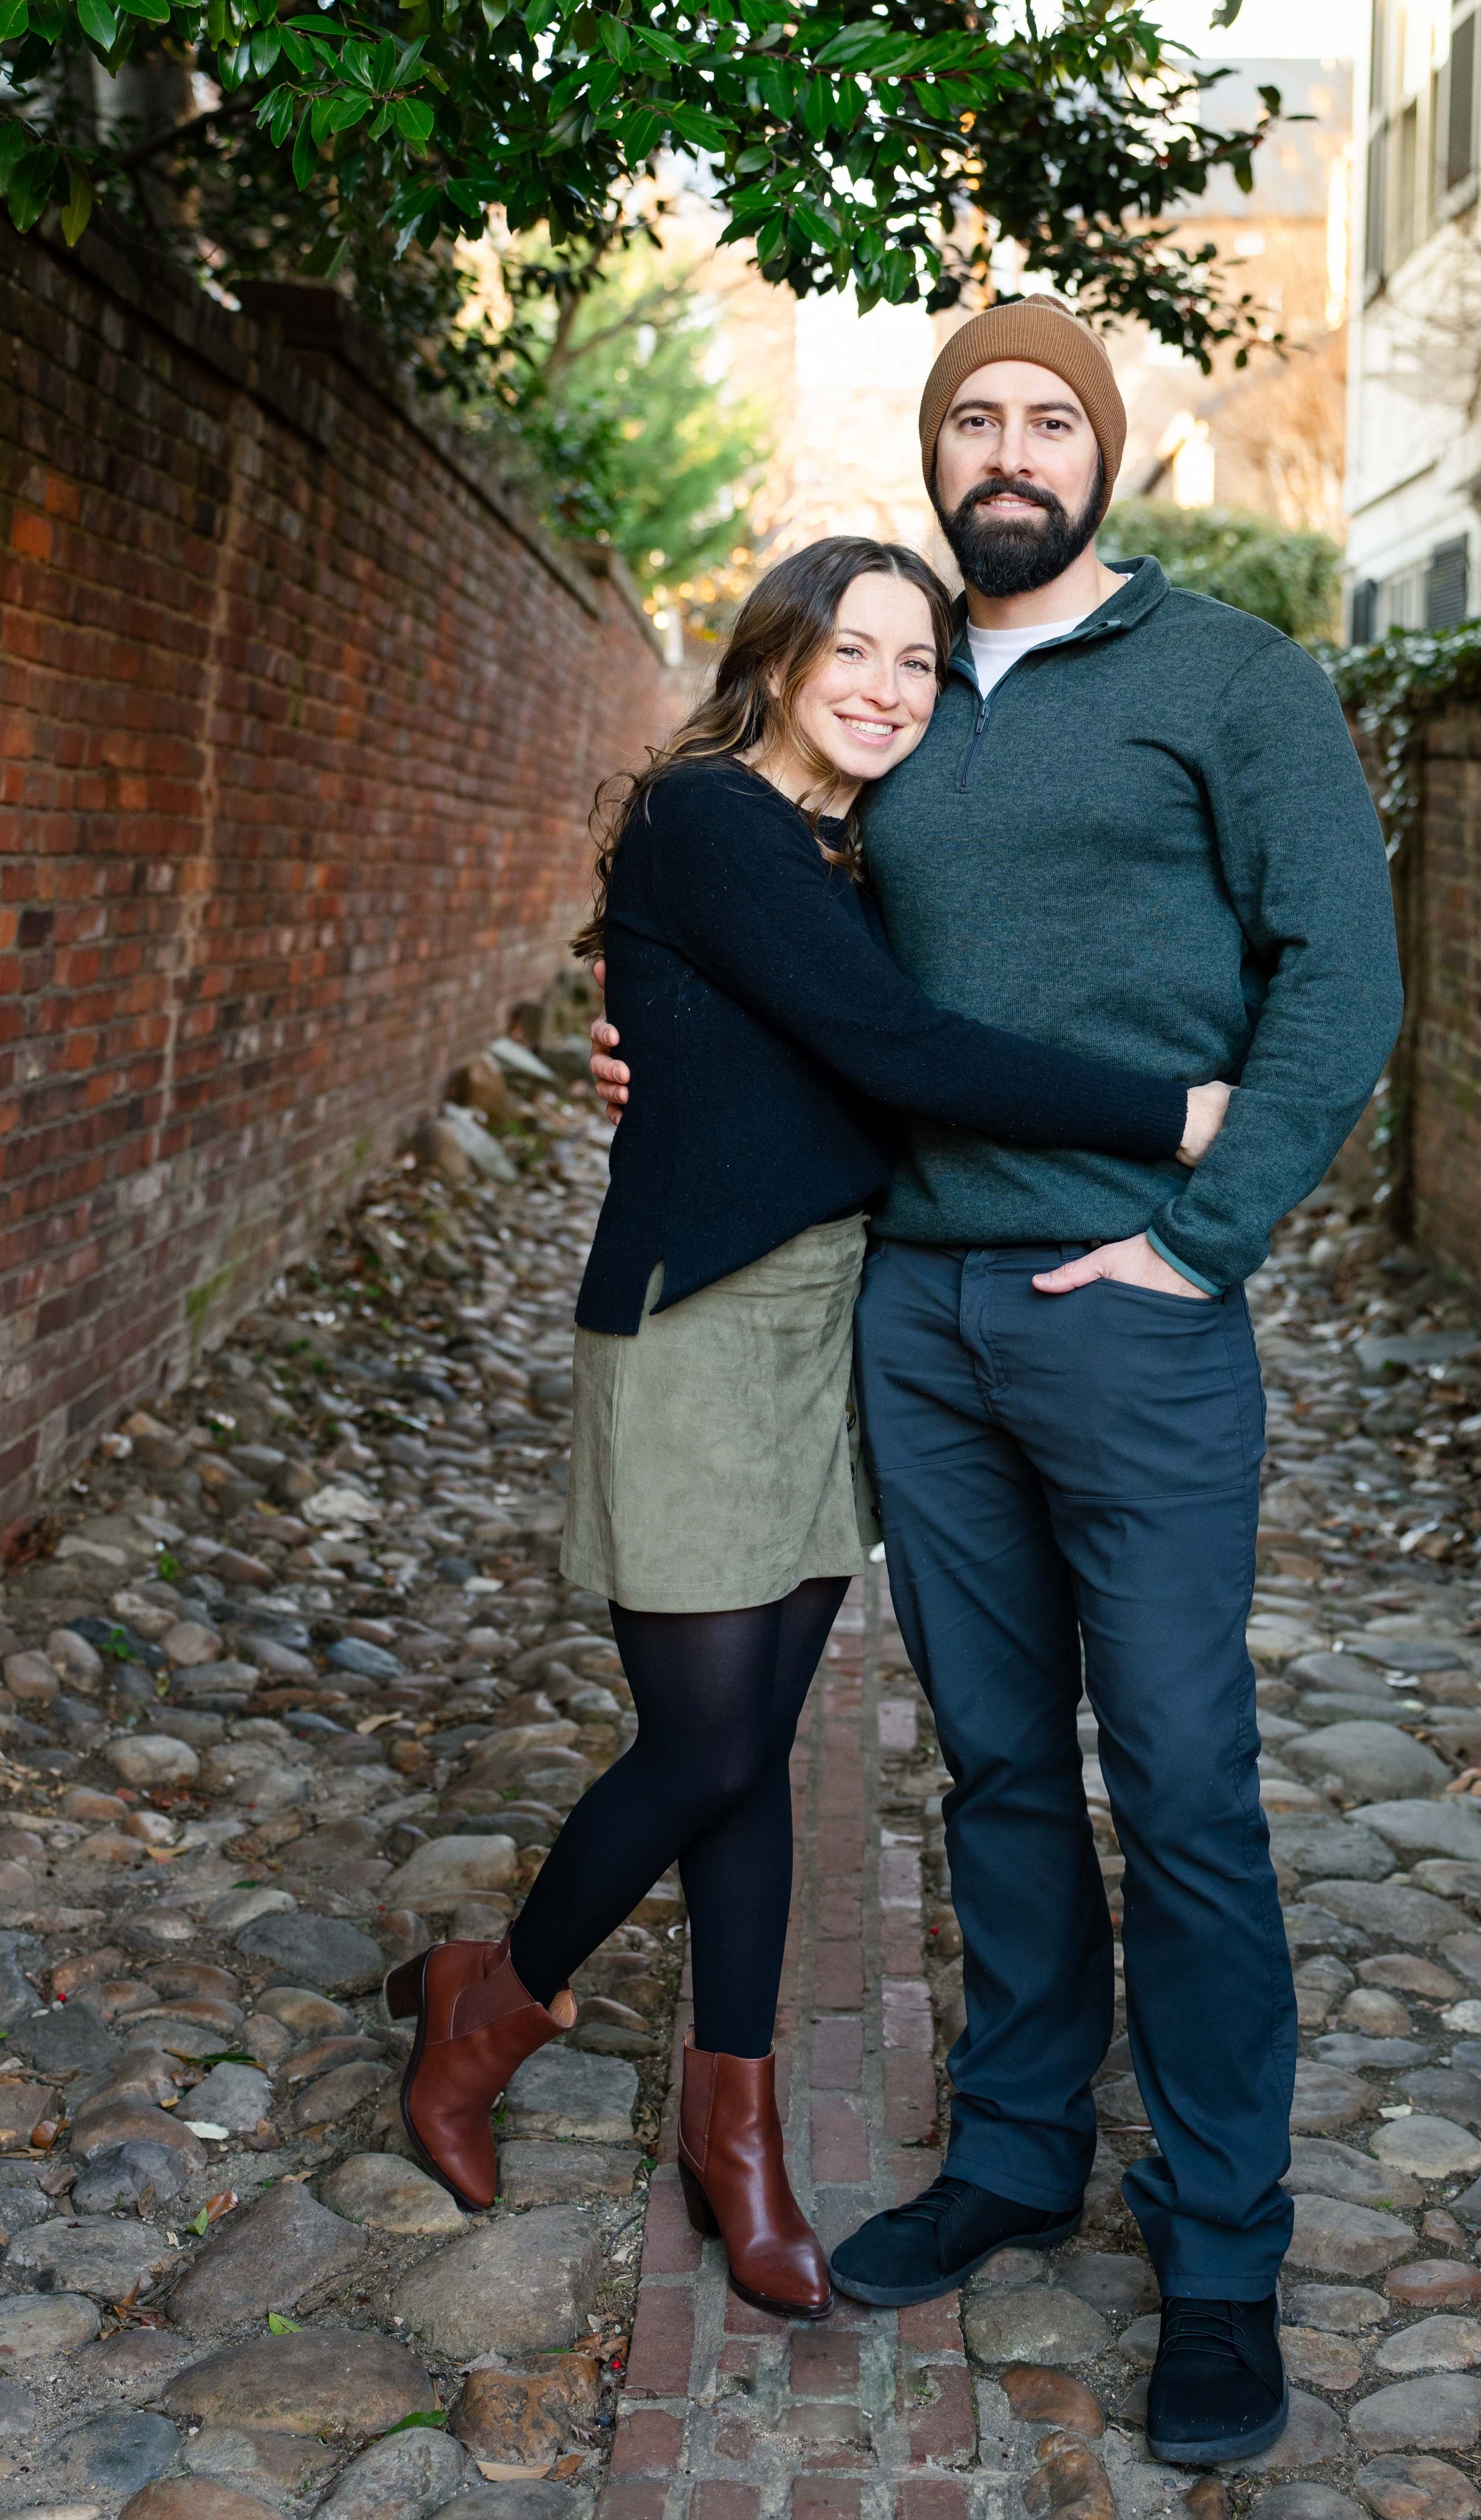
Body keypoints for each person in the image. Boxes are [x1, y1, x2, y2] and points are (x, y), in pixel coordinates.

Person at [592, 298, 1402, 2459]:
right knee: (993, 1763)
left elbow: (1345, 976)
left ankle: (1221, 2242)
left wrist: (1200, 1238)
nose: (1012, 448)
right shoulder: (898, 680)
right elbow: (790, 951)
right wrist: (652, 1050)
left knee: (1184, 1781)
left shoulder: (1234, 679)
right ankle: (1019, 2143)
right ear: (934, 450)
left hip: (1129, 1314)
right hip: (911, 1316)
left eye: (1053, 415)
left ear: (1109, 448)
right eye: (976, 416)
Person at [384, 532, 1228, 2325]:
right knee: (697, 1750)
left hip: (819, 1316)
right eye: (854, 650)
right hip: (700, 1323)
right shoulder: (713, 819)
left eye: (918, 665)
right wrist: (1169, 1110)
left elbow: (817, 1055)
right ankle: (488, 2020)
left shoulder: (834, 851)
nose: (886, 688)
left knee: (751, 1744)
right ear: (774, 655)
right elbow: (896, 1049)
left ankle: (731, 2124)